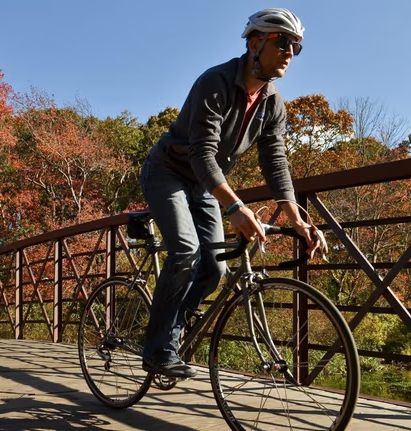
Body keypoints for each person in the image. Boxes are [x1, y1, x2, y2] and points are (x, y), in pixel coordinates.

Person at [139, 8, 320, 378]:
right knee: (186, 250)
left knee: (215, 269)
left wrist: (296, 218)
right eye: (282, 42)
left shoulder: (272, 103)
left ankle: (171, 335)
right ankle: (156, 348)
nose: (290, 52)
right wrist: (236, 207)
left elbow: (276, 162)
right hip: (168, 173)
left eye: (296, 47)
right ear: (255, 43)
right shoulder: (215, 82)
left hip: (205, 185)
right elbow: (201, 152)